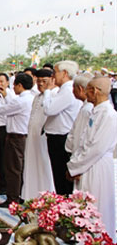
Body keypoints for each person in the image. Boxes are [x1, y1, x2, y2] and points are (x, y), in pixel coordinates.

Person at [67, 77, 117, 241]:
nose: (85, 92)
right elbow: (83, 140)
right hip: (87, 165)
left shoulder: (109, 115)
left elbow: (96, 148)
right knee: (84, 204)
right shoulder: (94, 111)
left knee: (97, 205)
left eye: (88, 89)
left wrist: (75, 167)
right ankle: (84, 242)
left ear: (95, 91)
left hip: (98, 166)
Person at [0, 73, 34, 207]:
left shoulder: (20, 100)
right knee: (17, 167)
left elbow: (0, 109)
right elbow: (10, 105)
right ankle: (18, 194)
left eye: (14, 85)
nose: (13, 87)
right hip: (21, 136)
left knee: (12, 169)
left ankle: (13, 198)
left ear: (19, 85)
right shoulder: (27, 98)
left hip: (16, 137)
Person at [43, 61, 82, 195]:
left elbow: (49, 109)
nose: (53, 76)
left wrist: (47, 91)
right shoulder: (63, 90)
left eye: (55, 72)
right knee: (58, 175)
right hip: (57, 137)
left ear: (64, 73)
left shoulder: (68, 90)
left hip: (62, 138)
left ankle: (64, 204)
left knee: (62, 177)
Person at [21, 69, 57, 201]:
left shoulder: (54, 95)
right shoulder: (36, 96)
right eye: (39, 81)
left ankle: (47, 197)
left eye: (44, 81)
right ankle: (31, 196)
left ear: (52, 81)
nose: (41, 84)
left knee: (45, 167)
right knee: (31, 165)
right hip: (32, 137)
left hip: (44, 139)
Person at [0, 73, 14, 194]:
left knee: (5, 158)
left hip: (5, 128)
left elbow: (1, 109)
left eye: (1, 82)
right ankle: (1, 182)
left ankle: (6, 185)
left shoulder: (10, 95)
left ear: (7, 83)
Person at [65, 73, 94, 155]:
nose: (72, 90)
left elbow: (79, 136)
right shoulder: (86, 107)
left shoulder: (87, 110)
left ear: (80, 89)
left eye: (74, 87)